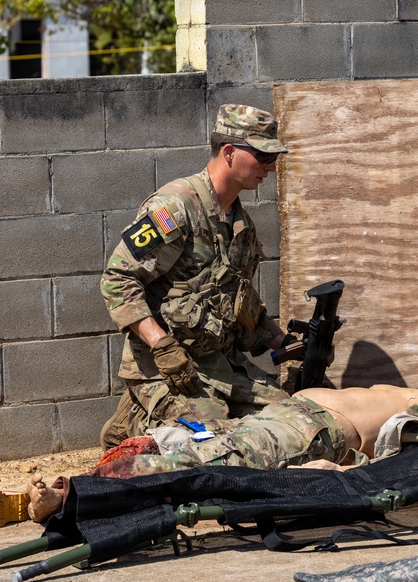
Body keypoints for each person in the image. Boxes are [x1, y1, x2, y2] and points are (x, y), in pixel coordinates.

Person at [0, 382, 418, 526]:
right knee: (184, 447)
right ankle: (45, 494)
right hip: (277, 421)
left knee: (194, 463)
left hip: (297, 434)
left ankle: (55, 498)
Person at [99, 104, 292, 450]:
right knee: (210, 443)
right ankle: (136, 422)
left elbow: (239, 305)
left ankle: (145, 417)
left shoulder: (241, 225)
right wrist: (161, 344)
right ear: (229, 152)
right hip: (170, 368)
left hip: (221, 366)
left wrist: (287, 343)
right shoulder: (177, 207)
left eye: (273, 158)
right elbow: (117, 279)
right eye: (262, 155)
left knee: (294, 421)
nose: (270, 166)